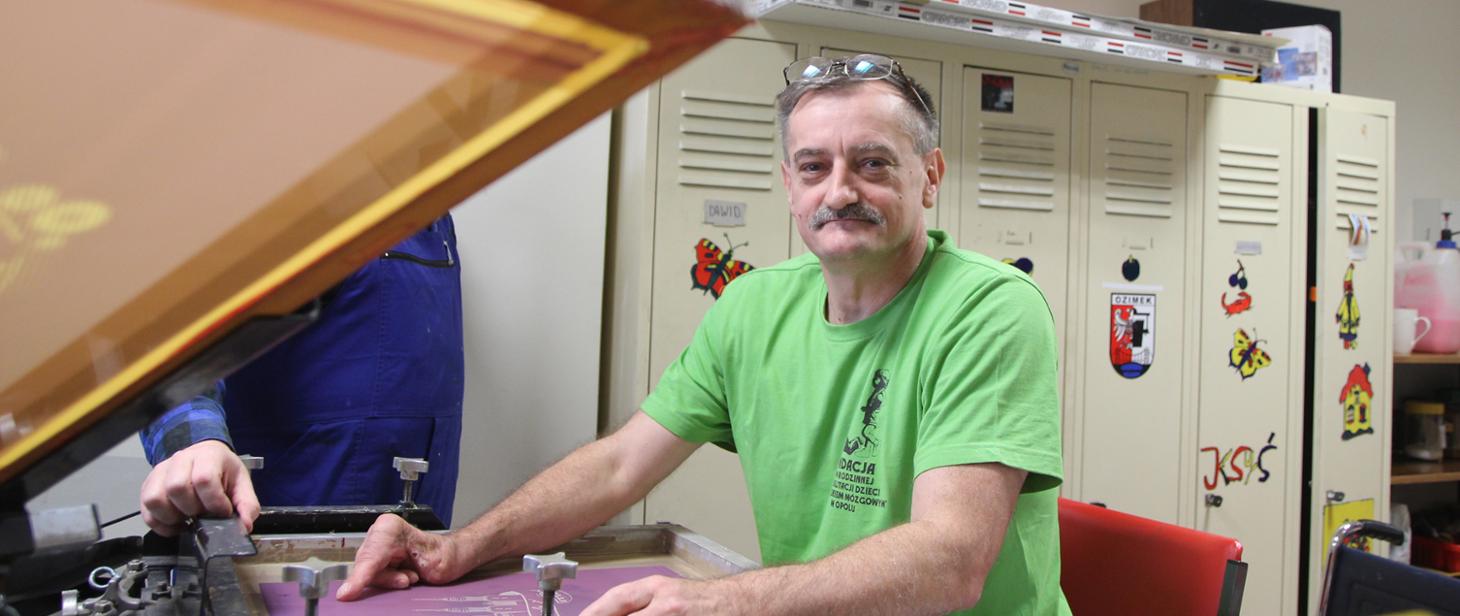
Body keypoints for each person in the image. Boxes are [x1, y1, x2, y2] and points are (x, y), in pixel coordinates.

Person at [338, 54, 1068, 615]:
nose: (840, 191)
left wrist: (725, 601)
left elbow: (951, 561)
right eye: (814, 167)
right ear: (789, 186)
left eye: (873, 163)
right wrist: (458, 547)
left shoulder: (987, 308)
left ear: (930, 176)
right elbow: (619, 467)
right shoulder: (753, 308)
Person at [137, 215, 465, 536]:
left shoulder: (434, 213)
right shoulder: (286, 200)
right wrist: (194, 443)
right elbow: (178, 340)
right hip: (282, 525)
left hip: (419, 525)